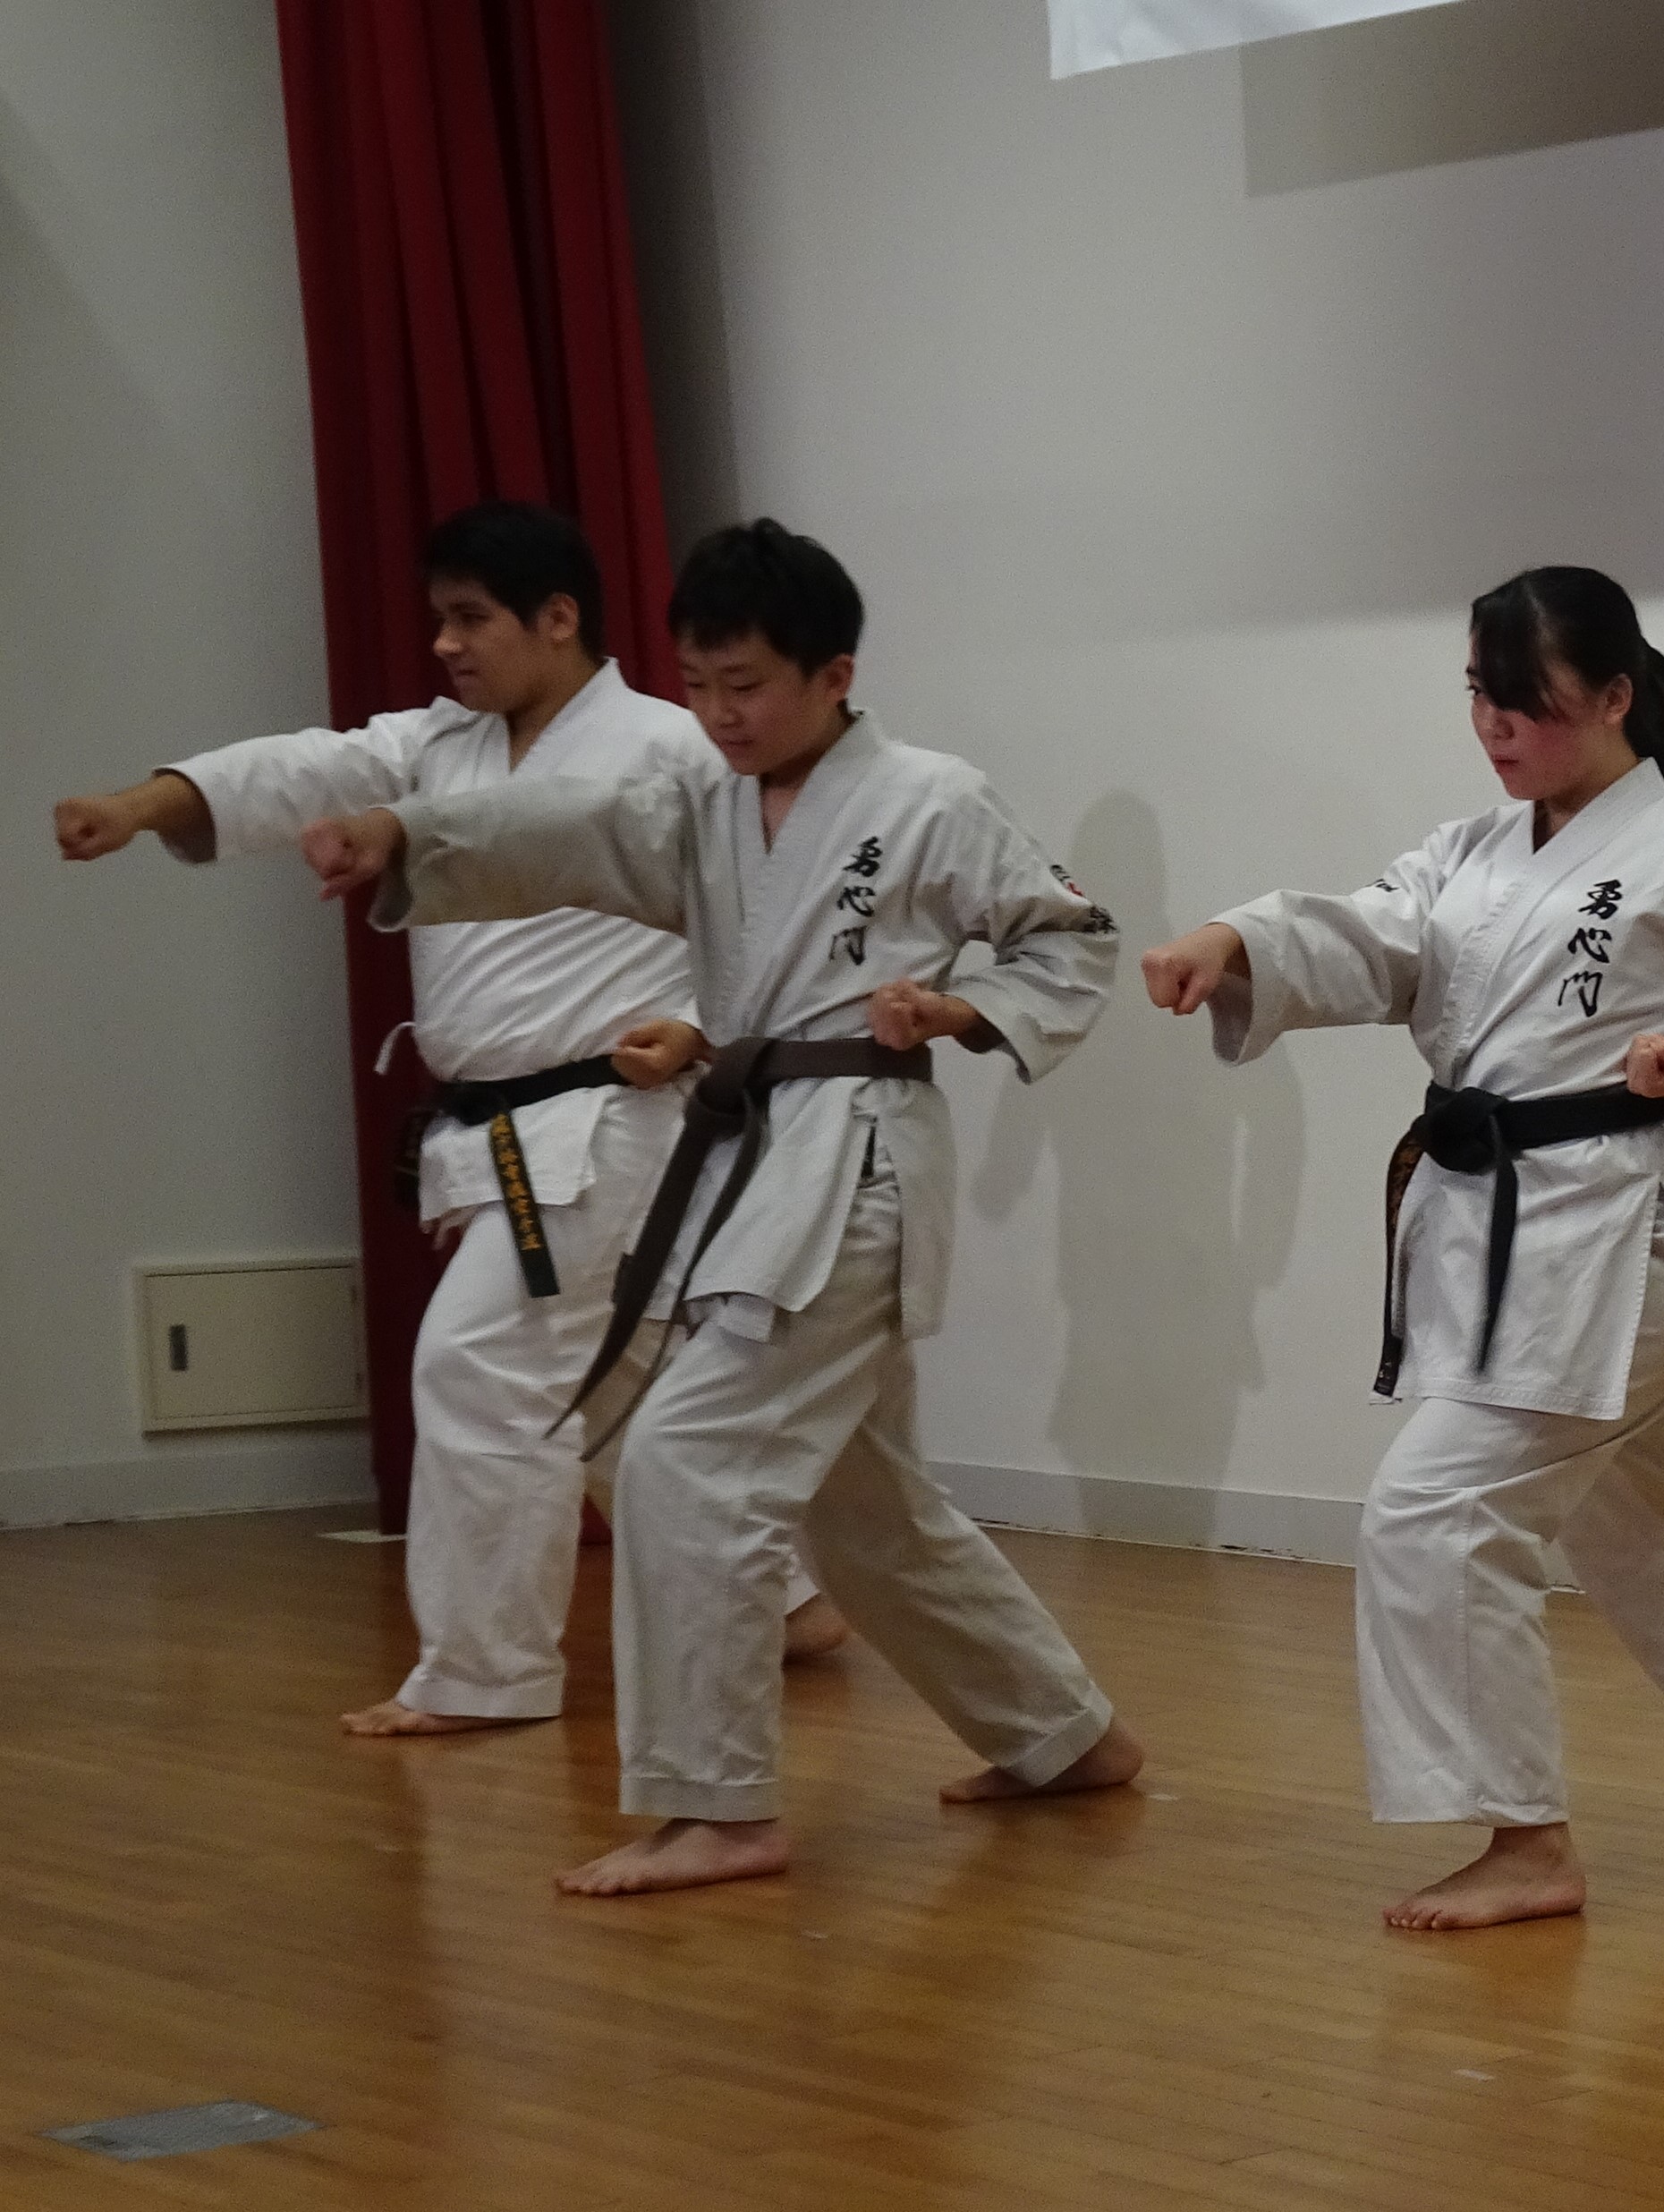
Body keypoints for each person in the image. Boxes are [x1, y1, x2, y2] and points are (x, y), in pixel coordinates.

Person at [301, 518, 1147, 1895]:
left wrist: (963, 1008)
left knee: (683, 1462)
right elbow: (566, 832)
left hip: (853, 1163)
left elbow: (1072, 933)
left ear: (834, 674)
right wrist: (406, 831)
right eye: (698, 684)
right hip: (752, 1154)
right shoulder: (705, 802)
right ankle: (1063, 1735)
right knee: (863, 1506)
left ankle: (722, 1804)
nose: (719, 714)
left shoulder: (930, 796)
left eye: (745, 684)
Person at [1142, 567, 1664, 1932]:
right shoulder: (1473, 852)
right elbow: (1372, 937)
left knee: (1433, 1513)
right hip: (1510, 1228)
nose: (1497, 726)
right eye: (1482, 695)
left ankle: (1527, 1839)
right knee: (1659, 1512)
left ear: (1613, 697)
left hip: (1617, 1240)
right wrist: (1236, 939)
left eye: (1527, 701)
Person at [49, 500, 841, 1739]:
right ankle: (781, 1596)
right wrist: (148, 804)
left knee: (481, 1369)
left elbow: (771, 918)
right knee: (613, 1396)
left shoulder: (670, 748)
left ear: (558, 617)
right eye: (441, 620)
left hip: (615, 1117)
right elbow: (301, 768)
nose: (446, 645)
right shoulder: (436, 748)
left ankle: (486, 1673)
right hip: (498, 1134)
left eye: (471, 619)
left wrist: (697, 1025)